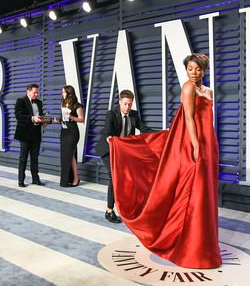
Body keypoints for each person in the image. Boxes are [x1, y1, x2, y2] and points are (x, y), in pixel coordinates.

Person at [109, 53, 221, 269]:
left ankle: (204, 245)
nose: (193, 73)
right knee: (193, 192)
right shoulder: (188, 87)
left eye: (197, 69)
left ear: (204, 70)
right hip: (193, 144)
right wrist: (196, 146)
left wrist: (209, 145)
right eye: (190, 68)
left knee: (205, 194)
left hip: (209, 143)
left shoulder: (208, 91)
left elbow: (208, 120)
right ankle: (189, 246)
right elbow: (189, 118)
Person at [95, 89, 155, 223]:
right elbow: (107, 131)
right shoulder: (111, 114)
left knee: (130, 178)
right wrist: (110, 139)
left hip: (123, 152)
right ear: (120, 102)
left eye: (130, 104)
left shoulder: (134, 115)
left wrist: (161, 133)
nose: (127, 107)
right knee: (114, 178)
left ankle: (130, 208)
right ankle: (109, 211)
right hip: (109, 150)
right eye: (125, 104)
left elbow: (144, 129)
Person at [14, 83, 49, 187]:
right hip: (24, 134)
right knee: (23, 158)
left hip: (36, 134)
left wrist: (45, 121)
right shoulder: (20, 101)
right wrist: (32, 118)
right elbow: (18, 116)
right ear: (28, 91)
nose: (36, 94)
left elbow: (41, 116)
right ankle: (21, 180)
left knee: (35, 158)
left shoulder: (39, 102)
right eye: (34, 92)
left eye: (37, 92)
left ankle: (35, 179)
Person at [55, 85, 84, 187]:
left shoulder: (77, 105)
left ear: (69, 92)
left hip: (72, 132)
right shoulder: (62, 104)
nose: (62, 94)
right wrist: (57, 120)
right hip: (64, 132)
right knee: (66, 156)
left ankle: (76, 178)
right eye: (62, 92)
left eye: (63, 92)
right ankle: (69, 179)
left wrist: (71, 117)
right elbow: (62, 118)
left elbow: (81, 119)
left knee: (70, 156)